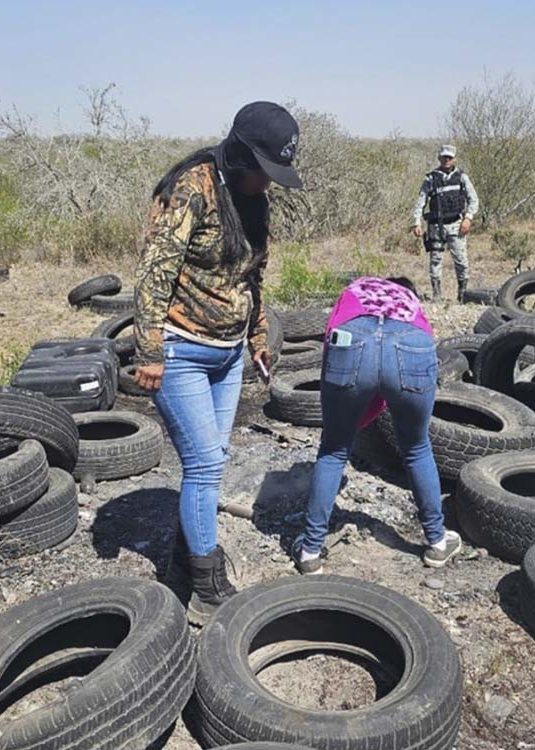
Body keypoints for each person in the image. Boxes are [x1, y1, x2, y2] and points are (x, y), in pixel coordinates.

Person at [132, 101, 302, 624]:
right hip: (182, 348)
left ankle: (185, 566)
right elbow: (155, 272)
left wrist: (257, 336)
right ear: (239, 154)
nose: (267, 184)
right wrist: (149, 350)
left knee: (213, 459)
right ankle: (206, 586)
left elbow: (252, 277)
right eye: (263, 171)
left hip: (228, 354)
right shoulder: (193, 188)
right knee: (204, 464)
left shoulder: (255, 202)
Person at [291, 276, 461, 574]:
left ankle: (310, 551)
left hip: (352, 339)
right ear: (406, 289)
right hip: (412, 342)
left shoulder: (357, 288)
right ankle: (436, 541)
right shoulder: (410, 300)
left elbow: (330, 342)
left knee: (333, 449)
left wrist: (351, 419)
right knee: (417, 447)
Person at [410, 144, 480, 301]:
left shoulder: (462, 177)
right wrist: (416, 222)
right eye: (444, 157)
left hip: (456, 225)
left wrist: (468, 218)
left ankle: (462, 296)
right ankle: (437, 295)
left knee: (461, 261)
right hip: (436, 226)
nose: (446, 160)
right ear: (439, 158)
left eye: (449, 157)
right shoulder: (430, 178)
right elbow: (420, 202)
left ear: (454, 158)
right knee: (435, 260)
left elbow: (473, 200)